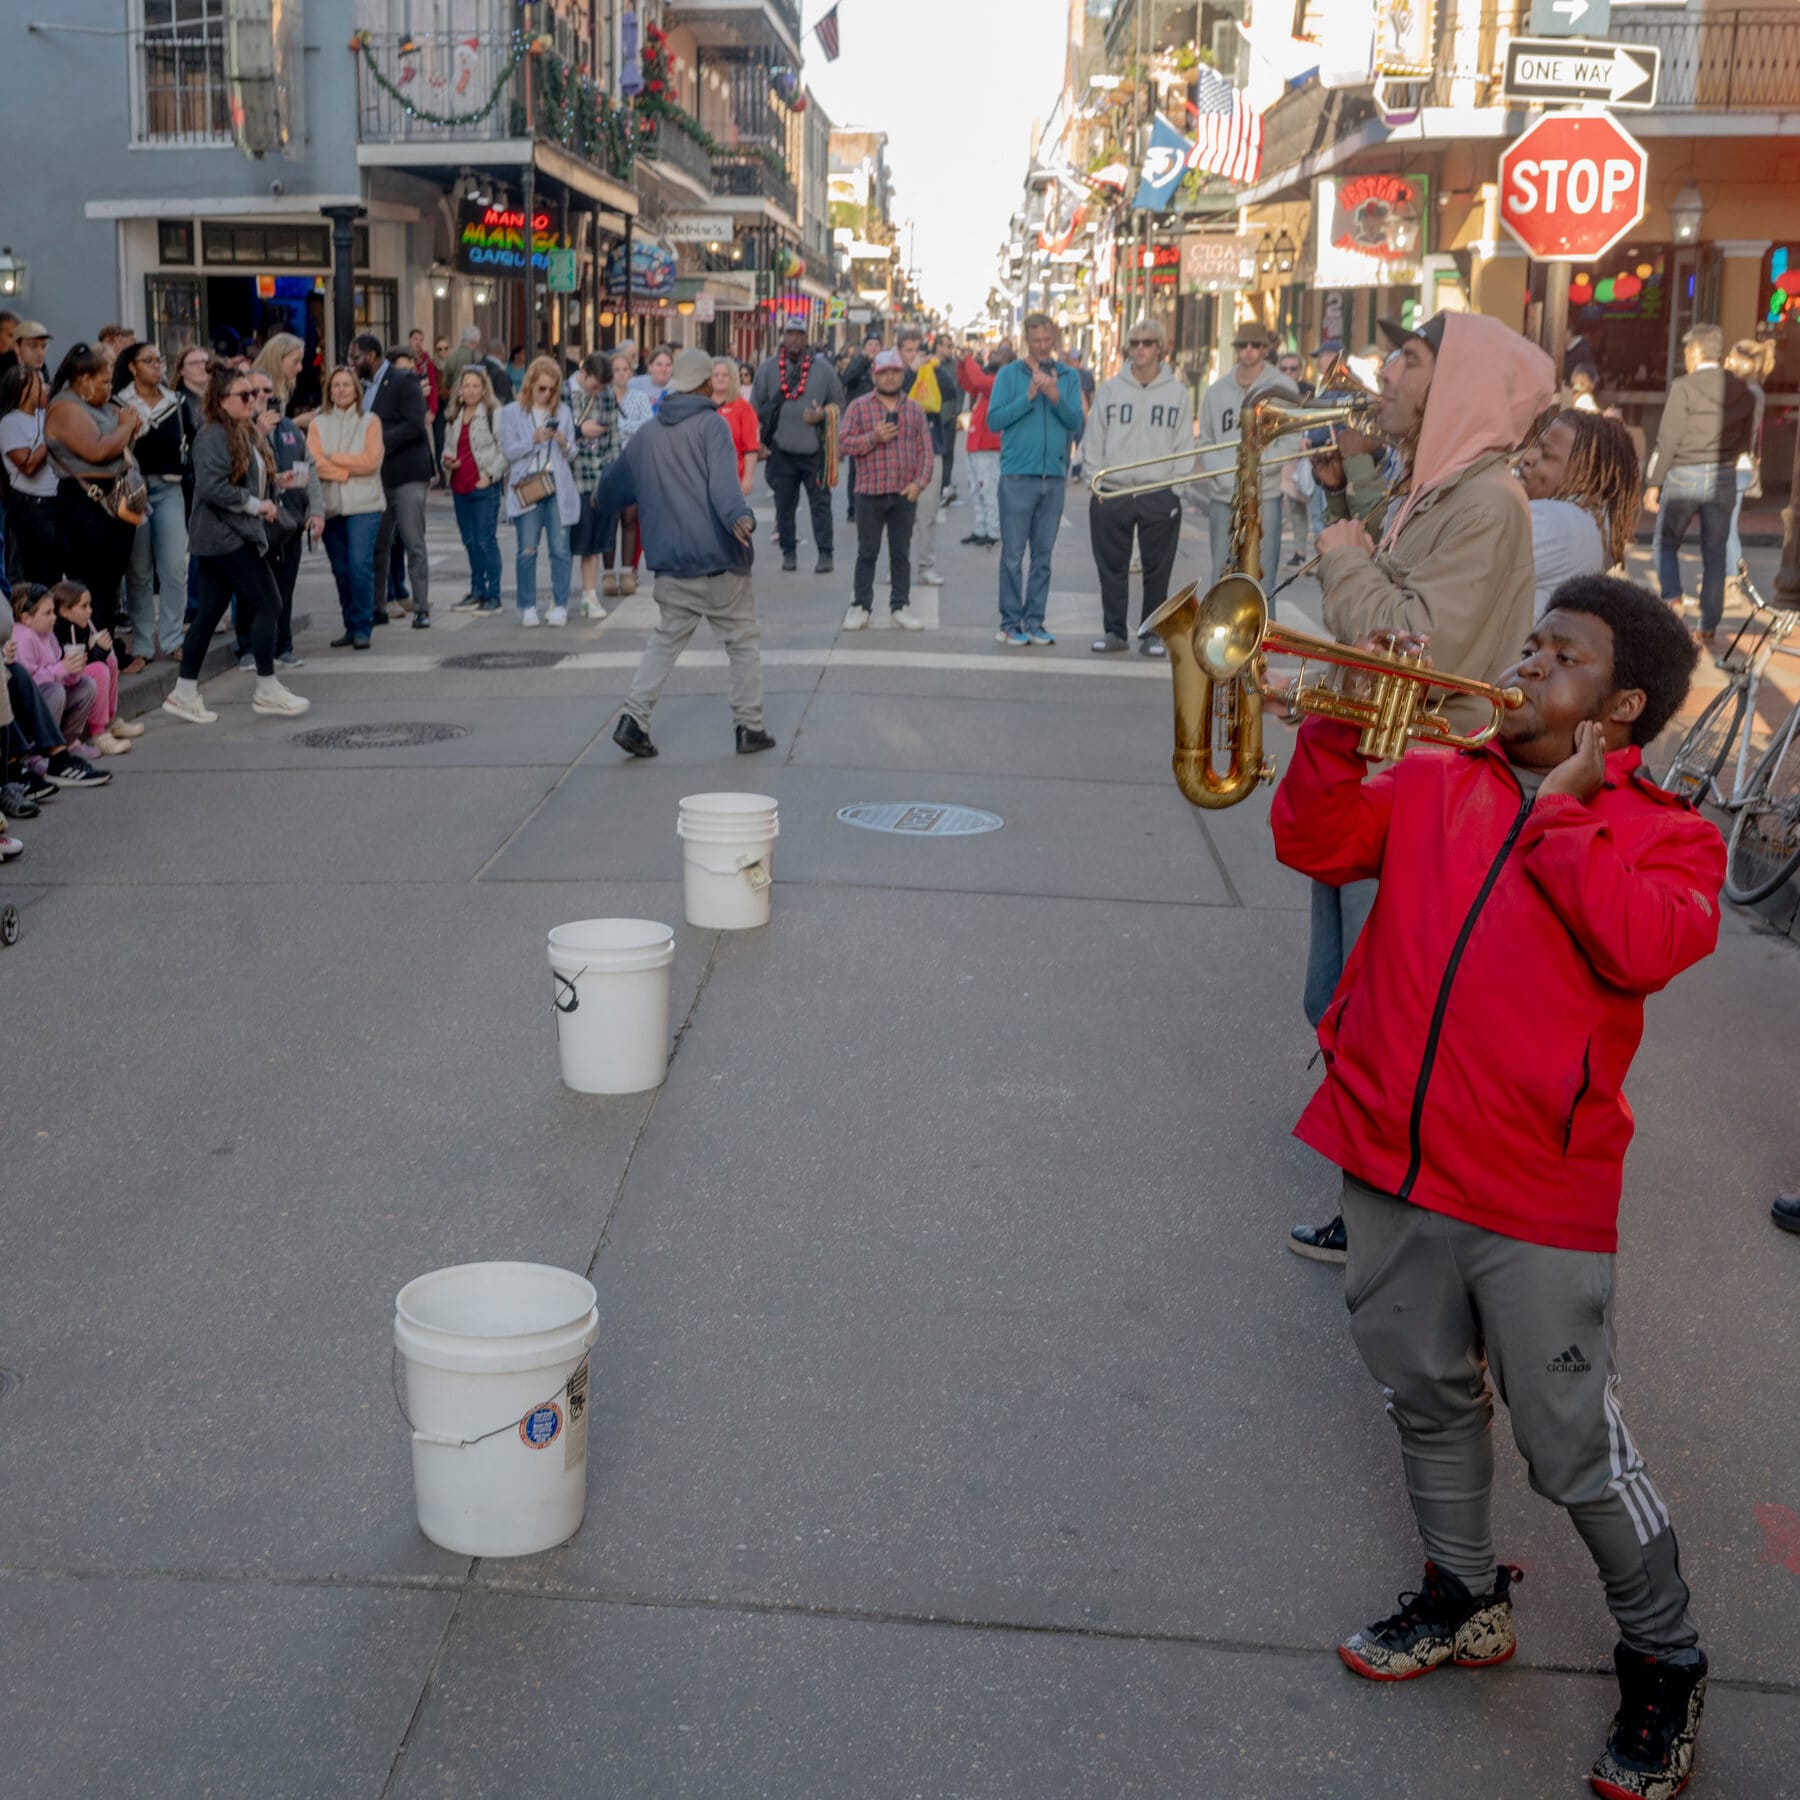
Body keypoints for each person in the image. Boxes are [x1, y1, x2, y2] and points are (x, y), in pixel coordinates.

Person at [1272, 575, 1718, 1800]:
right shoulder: (1435, 775)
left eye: (1558, 657)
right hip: (1392, 1159)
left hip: (1535, 1195)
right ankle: (1465, 1596)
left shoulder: (1670, 834)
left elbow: (1642, 944)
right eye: (1529, 645)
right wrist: (1339, 720)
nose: (1523, 667)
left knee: (1575, 1451)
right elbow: (1311, 840)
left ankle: (1665, 1659)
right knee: (1423, 1396)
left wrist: (1564, 815)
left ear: (1618, 709)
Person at [1289, 311, 1554, 1265]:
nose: (1387, 374)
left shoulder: (1488, 505)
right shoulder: (1435, 489)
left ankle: (1380, 1212)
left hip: (1421, 790)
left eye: (1408, 359)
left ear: (1458, 386)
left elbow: (1411, 643)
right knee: (1340, 991)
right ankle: (1369, 1190)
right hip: (1378, 769)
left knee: (1374, 1007)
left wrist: (1345, 555)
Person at [596, 347, 771, 759]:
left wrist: (596, 504)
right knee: (742, 641)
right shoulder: (712, 426)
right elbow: (724, 490)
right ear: (707, 384)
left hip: (671, 564)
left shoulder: (648, 434)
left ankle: (633, 718)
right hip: (718, 560)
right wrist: (740, 518)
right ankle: (749, 726)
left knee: (665, 641)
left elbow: (609, 492)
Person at [164, 365, 308, 721]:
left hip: (226, 536)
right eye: (245, 395)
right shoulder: (213, 434)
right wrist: (257, 504)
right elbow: (212, 487)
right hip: (225, 536)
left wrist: (275, 484)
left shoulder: (241, 430)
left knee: (209, 613)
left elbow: (247, 478)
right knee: (269, 604)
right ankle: (267, 687)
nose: (253, 400)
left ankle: (184, 692)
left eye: (255, 394)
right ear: (221, 401)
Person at [1082, 317, 1190, 657]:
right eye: (1134, 343)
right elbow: (1094, 437)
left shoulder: (1176, 394)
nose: (1139, 349)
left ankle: (1152, 634)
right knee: (1111, 567)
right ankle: (1114, 631)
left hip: (1158, 491)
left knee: (1158, 570)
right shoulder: (1112, 390)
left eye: (1146, 342)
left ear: (1159, 348)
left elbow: (1184, 444)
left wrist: (1177, 488)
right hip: (1112, 489)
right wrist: (1095, 481)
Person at [1643, 323, 1755, 645]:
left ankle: (1673, 601)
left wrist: (1654, 483)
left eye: (1686, 352)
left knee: (1665, 543)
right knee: (1715, 552)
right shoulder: (1743, 391)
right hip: (1723, 476)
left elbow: (1668, 440)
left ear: (1695, 351)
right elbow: (1746, 441)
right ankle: (1707, 625)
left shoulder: (1684, 387)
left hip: (1684, 474)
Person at [984, 312, 1085, 647]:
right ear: (1027, 340)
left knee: (1043, 558)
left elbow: (1075, 421)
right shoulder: (1009, 374)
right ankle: (1010, 622)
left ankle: (1035, 621)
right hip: (1017, 477)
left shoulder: (1068, 376)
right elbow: (994, 420)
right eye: (1036, 341)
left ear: (1053, 339)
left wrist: (1055, 395)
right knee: (1012, 556)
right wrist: (1028, 396)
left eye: (1047, 340)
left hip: (1053, 477)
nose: (1043, 347)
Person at [44, 341, 141, 656]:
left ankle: (107, 651)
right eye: (104, 381)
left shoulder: (99, 406)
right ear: (84, 380)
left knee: (109, 584)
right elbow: (97, 449)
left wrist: (126, 430)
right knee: (90, 584)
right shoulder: (66, 408)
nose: (109, 387)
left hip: (112, 503)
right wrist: (126, 426)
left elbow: (119, 442)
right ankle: (91, 654)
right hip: (85, 505)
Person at [1195, 323, 1298, 597]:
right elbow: (1206, 441)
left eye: (1255, 345)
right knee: (1222, 573)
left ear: (1265, 349)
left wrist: (1257, 468)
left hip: (1265, 495)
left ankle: (1263, 639)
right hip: (1223, 496)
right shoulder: (1216, 392)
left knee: (1263, 581)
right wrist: (1225, 472)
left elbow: (1291, 442)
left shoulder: (1283, 388)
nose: (1248, 350)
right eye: (1243, 345)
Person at [836, 348, 932, 632]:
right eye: (884, 373)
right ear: (875, 375)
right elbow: (844, 444)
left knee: (900, 553)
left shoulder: (913, 408)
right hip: (869, 492)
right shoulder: (859, 407)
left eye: (895, 372)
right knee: (867, 552)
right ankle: (861, 605)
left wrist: (920, 483)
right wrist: (872, 438)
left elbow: (926, 450)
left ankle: (900, 606)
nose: (890, 378)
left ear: (903, 374)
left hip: (904, 493)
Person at [233, 365, 321, 670]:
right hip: (255, 521)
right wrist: (259, 432)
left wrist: (315, 511)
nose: (261, 397)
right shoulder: (241, 428)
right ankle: (246, 648)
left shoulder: (289, 428)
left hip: (288, 520)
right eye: (254, 392)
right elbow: (234, 470)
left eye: (267, 391)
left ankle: (283, 645)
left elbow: (309, 470)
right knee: (251, 590)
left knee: (285, 586)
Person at [1518, 410, 1641, 618]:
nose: (1528, 458)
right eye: (1535, 446)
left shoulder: (1557, 522)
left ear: (1585, 475)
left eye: (1546, 455)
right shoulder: (1594, 522)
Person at [113, 342, 191, 667]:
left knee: (174, 566)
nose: (157, 366)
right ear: (132, 367)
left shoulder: (177, 401)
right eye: (149, 361)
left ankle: (173, 638)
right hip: (135, 491)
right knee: (139, 570)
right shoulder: (120, 402)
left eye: (160, 360)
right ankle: (143, 645)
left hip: (170, 488)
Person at [751, 317, 844, 574]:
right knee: (784, 506)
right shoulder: (768, 369)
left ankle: (826, 554)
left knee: (821, 506)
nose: (794, 338)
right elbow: (755, 409)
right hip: (781, 450)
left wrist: (823, 415)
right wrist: (759, 441)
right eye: (790, 333)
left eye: (799, 334)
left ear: (806, 338)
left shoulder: (823, 370)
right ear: (783, 336)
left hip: (814, 451)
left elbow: (839, 403)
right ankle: (788, 552)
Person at [352, 335, 432, 631]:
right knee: (378, 544)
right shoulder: (361, 387)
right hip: (377, 476)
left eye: (356, 356)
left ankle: (422, 607)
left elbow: (414, 424)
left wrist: (378, 443)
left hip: (407, 472)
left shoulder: (404, 380)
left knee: (413, 542)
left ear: (372, 356)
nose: (352, 363)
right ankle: (376, 607)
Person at [308, 366, 386, 650]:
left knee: (359, 565)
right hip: (330, 505)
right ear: (329, 391)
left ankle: (364, 625)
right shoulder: (319, 423)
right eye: (335, 385)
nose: (341, 390)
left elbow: (371, 462)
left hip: (364, 504)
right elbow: (313, 462)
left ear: (357, 390)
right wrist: (344, 470)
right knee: (341, 569)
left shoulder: (370, 421)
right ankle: (350, 625)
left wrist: (334, 458)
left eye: (346, 385)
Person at [498, 356, 578, 629]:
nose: (547, 394)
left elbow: (572, 453)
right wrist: (533, 440)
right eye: (542, 388)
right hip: (528, 481)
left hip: (557, 481)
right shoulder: (511, 412)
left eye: (552, 389)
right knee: (527, 548)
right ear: (530, 384)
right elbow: (508, 451)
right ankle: (528, 605)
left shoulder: (564, 412)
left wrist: (563, 442)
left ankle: (560, 604)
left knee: (560, 548)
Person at [441, 364, 509, 617]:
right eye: (466, 385)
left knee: (485, 541)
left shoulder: (494, 413)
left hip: (483, 487)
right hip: (460, 486)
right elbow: (448, 447)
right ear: (460, 389)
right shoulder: (454, 414)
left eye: (475, 386)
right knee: (470, 542)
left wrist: (490, 475)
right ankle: (477, 590)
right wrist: (447, 461)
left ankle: (494, 595)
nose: (470, 391)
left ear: (483, 389)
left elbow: (506, 450)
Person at [52, 579, 141, 753]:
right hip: (62, 684)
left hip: (74, 678)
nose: (90, 611)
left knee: (111, 661)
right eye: (84, 606)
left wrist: (101, 650)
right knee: (100, 669)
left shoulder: (81, 627)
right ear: (64, 611)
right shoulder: (59, 631)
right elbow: (77, 665)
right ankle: (98, 733)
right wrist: (97, 651)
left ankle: (110, 719)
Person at [13, 583, 102, 756]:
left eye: (53, 612)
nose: (54, 618)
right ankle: (39, 751)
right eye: (47, 613)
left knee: (87, 685)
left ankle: (67, 743)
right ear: (26, 618)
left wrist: (73, 670)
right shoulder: (23, 637)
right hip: (28, 708)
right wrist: (61, 669)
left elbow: (61, 674)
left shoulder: (48, 633)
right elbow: (28, 684)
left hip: (49, 694)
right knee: (56, 692)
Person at [567, 351, 621, 622]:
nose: (599, 391)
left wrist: (609, 471)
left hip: (597, 474)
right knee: (565, 540)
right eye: (595, 385)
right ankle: (559, 594)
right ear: (584, 373)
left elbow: (613, 436)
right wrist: (579, 431)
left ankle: (589, 594)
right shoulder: (564, 392)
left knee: (594, 540)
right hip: (570, 475)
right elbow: (556, 431)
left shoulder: (607, 395)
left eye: (603, 387)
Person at [0, 366, 61, 587]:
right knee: (35, 577)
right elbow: (28, 466)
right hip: (31, 508)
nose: (46, 388)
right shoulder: (9, 423)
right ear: (24, 389)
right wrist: (51, 435)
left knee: (55, 576)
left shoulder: (47, 416)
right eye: (39, 383)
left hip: (57, 504)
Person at [893, 328, 944, 587]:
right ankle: (897, 567)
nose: (914, 356)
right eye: (908, 350)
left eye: (917, 350)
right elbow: (894, 397)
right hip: (901, 453)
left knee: (928, 513)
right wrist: (911, 371)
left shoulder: (931, 371)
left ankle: (926, 566)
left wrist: (936, 366)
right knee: (901, 517)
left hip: (931, 449)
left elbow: (951, 392)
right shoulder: (892, 375)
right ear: (900, 352)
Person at [1722, 337, 1771, 596]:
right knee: (1728, 522)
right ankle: (1734, 572)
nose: (1728, 361)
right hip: (1741, 462)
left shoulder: (1749, 392)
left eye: (1732, 357)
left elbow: (1749, 432)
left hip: (1739, 462)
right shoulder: (1750, 390)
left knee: (1727, 523)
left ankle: (1732, 575)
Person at [956, 343, 1008, 549]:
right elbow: (968, 383)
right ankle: (981, 529)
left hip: (988, 445)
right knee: (977, 490)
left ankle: (992, 530)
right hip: (977, 444)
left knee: (988, 489)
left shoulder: (999, 382)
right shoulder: (988, 386)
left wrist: (967, 359)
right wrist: (962, 364)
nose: (993, 356)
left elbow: (976, 380)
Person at [839, 332, 880, 522]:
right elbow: (846, 379)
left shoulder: (884, 365)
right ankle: (853, 508)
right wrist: (863, 361)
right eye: (870, 344)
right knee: (856, 469)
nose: (873, 347)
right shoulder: (858, 363)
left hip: (879, 424)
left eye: (876, 344)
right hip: (859, 425)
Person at [711, 356, 760, 495]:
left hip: (733, 479)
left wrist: (748, 478)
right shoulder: (701, 405)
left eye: (725, 375)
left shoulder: (744, 408)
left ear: (732, 378)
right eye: (716, 375)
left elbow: (751, 447)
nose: (720, 378)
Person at [254, 332, 312, 429]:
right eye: (296, 361)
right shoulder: (254, 389)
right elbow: (267, 430)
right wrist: (298, 422)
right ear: (278, 359)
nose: (300, 368)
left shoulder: (284, 389)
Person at [933, 334, 962, 502]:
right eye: (947, 345)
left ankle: (945, 486)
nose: (950, 349)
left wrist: (956, 411)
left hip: (949, 416)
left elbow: (960, 389)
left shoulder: (955, 366)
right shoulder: (929, 364)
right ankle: (934, 487)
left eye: (951, 346)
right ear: (938, 347)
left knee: (948, 452)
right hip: (932, 416)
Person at [628, 345, 674, 410]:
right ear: (650, 367)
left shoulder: (679, 390)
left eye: (668, 365)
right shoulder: (634, 384)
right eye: (659, 364)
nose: (663, 369)